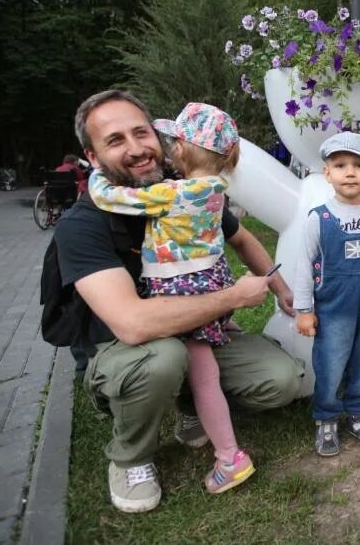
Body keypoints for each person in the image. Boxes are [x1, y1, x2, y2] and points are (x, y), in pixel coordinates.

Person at [53, 89, 302, 513]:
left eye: (142, 133)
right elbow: (133, 325)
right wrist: (236, 296)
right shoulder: (81, 226)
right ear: (91, 156)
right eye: (115, 141)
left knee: (281, 378)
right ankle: (131, 456)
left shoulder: (178, 191)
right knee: (163, 357)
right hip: (126, 346)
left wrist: (276, 283)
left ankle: (192, 410)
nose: (136, 149)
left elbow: (240, 237)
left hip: (197, 323)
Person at [86, 102, 255, 495]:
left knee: (203, 376)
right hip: (210, 286)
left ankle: (230, 457)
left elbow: (113, 199)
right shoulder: (215, 190)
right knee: (204, 371)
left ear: (180, 151)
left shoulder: (170, 193)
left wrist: (97, 175)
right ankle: (200, 422)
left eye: (173, 141)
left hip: (180, 295)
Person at [292, 132, 360, 457]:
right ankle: (326, 418)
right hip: (333, 310)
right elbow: (303, 266)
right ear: (327, 174)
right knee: (330, 363)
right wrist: (304, 309)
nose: (350, 172)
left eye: (358, 165)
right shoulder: (318, 218)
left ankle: (359, 415)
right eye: (340, 165)